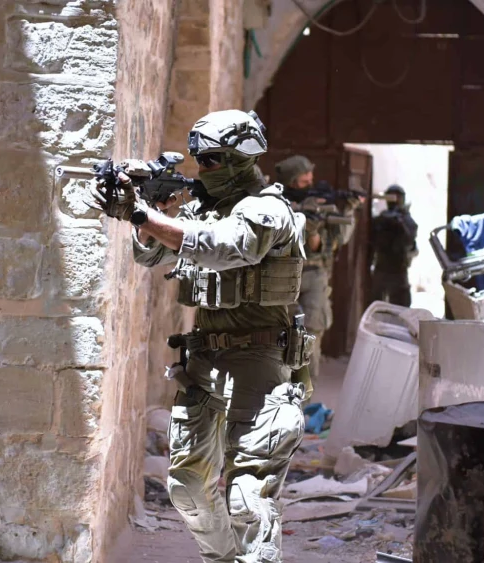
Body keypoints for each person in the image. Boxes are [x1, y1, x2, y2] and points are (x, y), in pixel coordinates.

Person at [91, 110, 312, 562]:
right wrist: (149, 215)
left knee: (248, 497)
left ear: (240, 157)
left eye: (212, 160)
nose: (202, 170)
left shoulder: (266, 209)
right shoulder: (201, 206)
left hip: (261, 362)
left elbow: (222, 246)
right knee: (187, 488)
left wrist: (142, 213)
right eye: (199, 160)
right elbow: (150, 256)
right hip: (204, 363)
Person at [274, 155, 361, 381]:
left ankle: (303, 401)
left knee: (310, 336)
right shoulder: (273, 202)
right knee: (278, 336)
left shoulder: (317, 201)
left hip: (314, 274)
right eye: (304, 182)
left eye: (310, 180)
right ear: (291, 183)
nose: (309, 185)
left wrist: (313, 229)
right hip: (280, 276)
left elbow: (329, 243)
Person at [370, 184, 418, 307]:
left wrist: (399, 222)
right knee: (377, 306)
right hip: (383, 267)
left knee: (401, 307)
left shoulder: (405, 220)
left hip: (398, 269)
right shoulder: (383, 219)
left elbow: (410, 238)